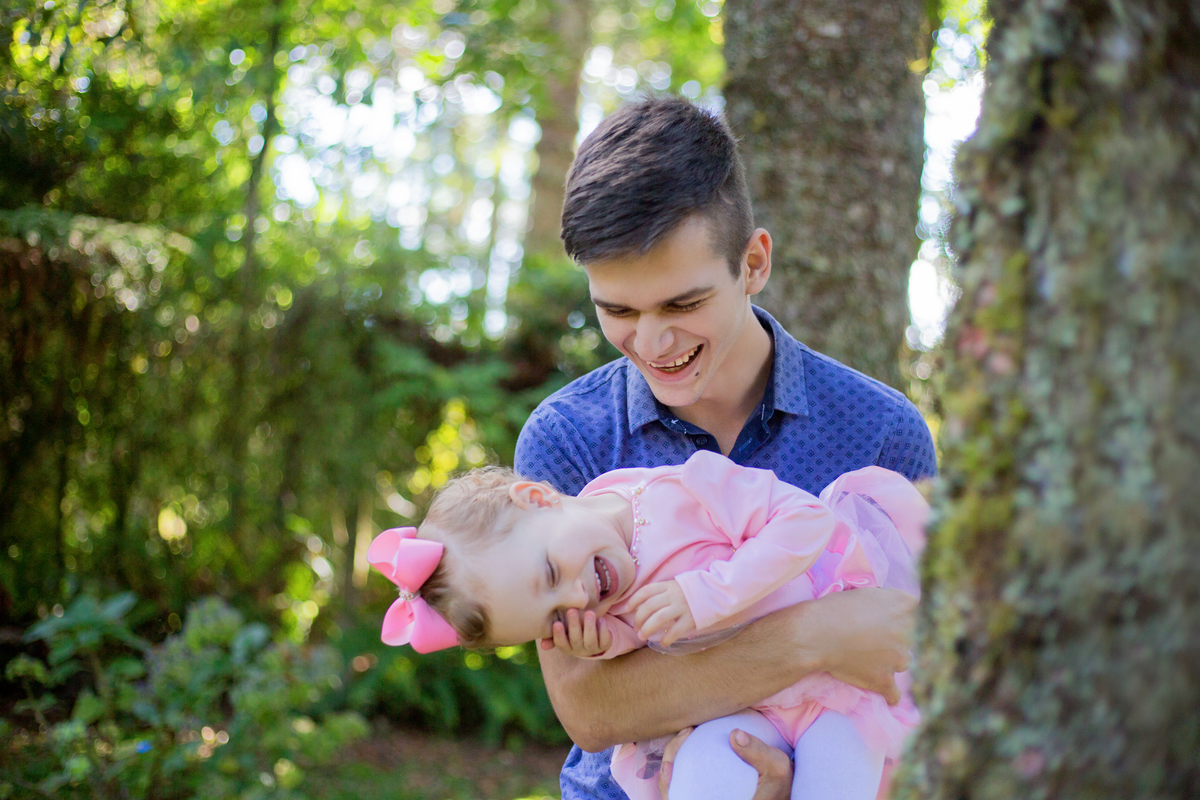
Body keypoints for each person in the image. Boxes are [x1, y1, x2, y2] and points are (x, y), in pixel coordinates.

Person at [512, 96, 938, 800]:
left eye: (683, 305)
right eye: (618, 310)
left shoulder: (881, 432)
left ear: (754, 262)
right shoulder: (567, 439)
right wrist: (816, 636)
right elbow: (592, 708)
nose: (653, 342)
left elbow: (913, 671)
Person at [367, 449, 929, 800]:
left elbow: (805, 521)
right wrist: (607, 644)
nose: (577, 595)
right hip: (747, 712)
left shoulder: (685, 493)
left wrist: (706, 592)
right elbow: (655, 653)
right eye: (554, 617)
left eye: (551, 572)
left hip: (837, 690)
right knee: (705, 777)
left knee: (837, 780)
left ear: (537, 498)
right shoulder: (602, 600)